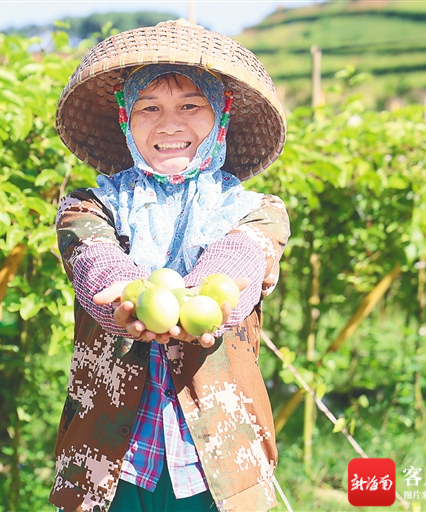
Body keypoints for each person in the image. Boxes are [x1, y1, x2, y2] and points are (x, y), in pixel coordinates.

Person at [51, 20, 290, 512]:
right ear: (126, 121)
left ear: (219, 117)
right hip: (111, 458)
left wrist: (203, 300)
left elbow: (241, 259)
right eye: (149, 108)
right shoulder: (87, 207)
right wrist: (124, 295)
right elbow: (94, 259)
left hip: (220, 458)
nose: (170, 124)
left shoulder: (259, 211)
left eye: (190, 106)